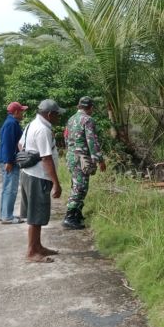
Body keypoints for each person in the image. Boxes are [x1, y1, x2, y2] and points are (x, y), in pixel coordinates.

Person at [19, 99, 64, 262]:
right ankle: (31, 252)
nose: (59, 118)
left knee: (36, 213)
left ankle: (38, 246)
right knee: (36, 215)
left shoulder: (32, 124)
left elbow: (20, 145)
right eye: (57, 115)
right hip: (38, 177)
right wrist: (56, 184)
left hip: (28, 173)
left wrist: (32, 156)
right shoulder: (43, 130)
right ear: (50, 114)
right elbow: (47, 158)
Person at [62, 96, 105, 230]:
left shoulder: (71, 119)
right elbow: (92, 140)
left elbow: (66, 137)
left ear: (78, 106)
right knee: (80, 187)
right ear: (90, 107)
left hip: (71, 156)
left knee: (76, 185)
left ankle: (77, 213)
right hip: (81, 158)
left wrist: (70, 152)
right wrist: (100, 160)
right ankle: (69, 217)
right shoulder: (88, 120)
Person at [0, 101, 28, 224]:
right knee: (11, 188)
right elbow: (8, 144)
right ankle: (7, 217)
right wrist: (8, 161)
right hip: (9, 161)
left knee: (6, 188)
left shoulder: (11, 122)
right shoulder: (11, 124)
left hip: (6, 160)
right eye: (21, 111)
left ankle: (3, 214)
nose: (23, 114)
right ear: (16, 112)